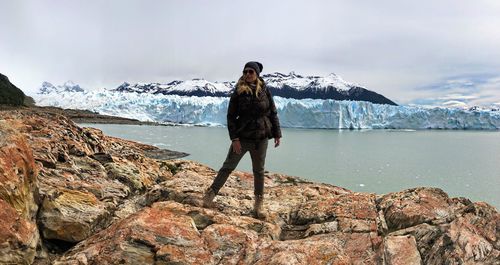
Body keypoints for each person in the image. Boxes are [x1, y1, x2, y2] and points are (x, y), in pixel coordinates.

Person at [202, 61, 282, 219]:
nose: (247, 74)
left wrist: (277, 134)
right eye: (245, 72)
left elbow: (273, 113)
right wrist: (235, 139)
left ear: (257, 74)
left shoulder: (265, 91)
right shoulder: (238, 92)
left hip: (261, 138)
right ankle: (209, 196)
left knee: (259, 171)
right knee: (228, 167)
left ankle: (258, 206)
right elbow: (231, 117)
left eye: (251, 72)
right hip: (243, 137)